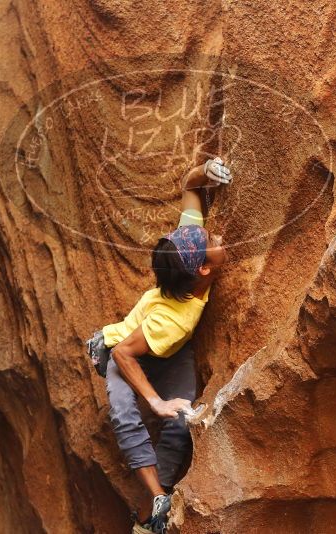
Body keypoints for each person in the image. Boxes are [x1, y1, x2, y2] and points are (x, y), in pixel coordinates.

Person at [100, 157, 232, 534]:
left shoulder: (185, 253)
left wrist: (206, 172)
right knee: (126, 413)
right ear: (203, 270)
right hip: (124, 348)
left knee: (179, 422)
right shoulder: (172, 319)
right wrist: (155, 402)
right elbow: (125, 352)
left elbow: (191, 187)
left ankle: (149, 513)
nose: (216, 236)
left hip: (169, 351)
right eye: (211, 241)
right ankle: (156, 502)